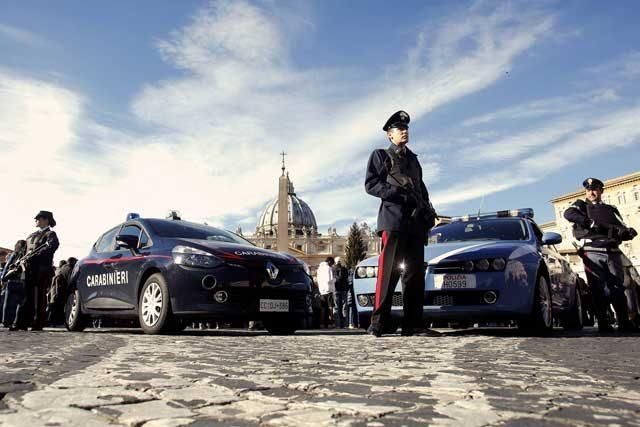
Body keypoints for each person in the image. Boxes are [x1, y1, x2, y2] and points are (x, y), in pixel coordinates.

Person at [365, 110, 435, 337]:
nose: (404, 131)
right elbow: (371, 184)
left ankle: (413, 324)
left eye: (406, 128)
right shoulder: (381, 156)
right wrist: (398, 194)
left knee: (414, 275)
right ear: (390, 134)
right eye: (399, 129)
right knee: (389, 272)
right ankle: (378, 323)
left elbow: (421, 188)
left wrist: (428, 210)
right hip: (394, 220)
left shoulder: (413, 159)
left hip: (415, 223)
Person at [564, 178, 638, 332]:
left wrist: (627, 232)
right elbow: (569, 213)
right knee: (597, 287)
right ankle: (603, 321)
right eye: (588, 190)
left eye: (594, 189)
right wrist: (589, 223)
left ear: (601, 191)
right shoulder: (581, 205)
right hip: (592, 250)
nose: (591, 193)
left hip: (612, 251)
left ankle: (624, 321)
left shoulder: (611, 209)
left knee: (618, 287)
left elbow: (621, 226)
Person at [12, 211, 60, 331]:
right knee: (25, 297)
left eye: (39, 218)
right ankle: (21, 323)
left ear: (46, 220)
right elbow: (23, 251)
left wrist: (34, 256)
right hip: (27, 269)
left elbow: (51, 247)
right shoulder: (31, 235)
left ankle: (37, 323)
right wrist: (19, 261)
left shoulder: (51, 234)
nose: (36, 220)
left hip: (41, 270)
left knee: (39, 298)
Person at [1, 240, 27, 328]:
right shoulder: (19, 255)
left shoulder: (15, 255)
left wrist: (3, 277)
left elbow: (7, 266)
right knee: (15, 303)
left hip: (13, 281)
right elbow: (8, 266)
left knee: (9, 302)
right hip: (17, 281)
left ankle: (7, 321)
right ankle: (9, 321)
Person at [47, 257, 77, 326]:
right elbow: (70, 281)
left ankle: (53, 322)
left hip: (55, 291)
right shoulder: (69, 269)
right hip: (60, 291)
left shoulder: (61, 269)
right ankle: (56, 322)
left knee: (54, 307)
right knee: (59, 308)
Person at [316, 257, 336, 328]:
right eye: (332, 263)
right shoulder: (328, 268)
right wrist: (335, 279)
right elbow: (329, 279)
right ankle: (330, 323)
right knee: (330, 307)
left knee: (323, 307)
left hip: (322, 290)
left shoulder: (319, 268)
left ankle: (323, 323)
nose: (332, 265)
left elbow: (318, 280)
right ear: (330, 262)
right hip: (328, 290)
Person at [333, 257, 349, 328]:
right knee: (344, 307)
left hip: (336, 289)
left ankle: (337, 324)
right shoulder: (344, 269)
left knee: (337, 307)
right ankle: (344, 323)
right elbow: (346, 279)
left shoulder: (333, 269)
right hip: (343, 289)